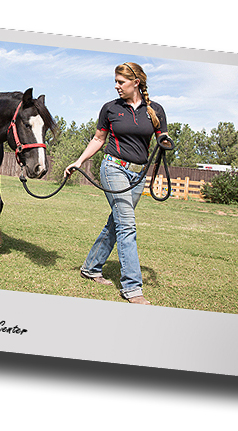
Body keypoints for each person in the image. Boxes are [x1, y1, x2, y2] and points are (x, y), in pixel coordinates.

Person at [64, 62, 170, 305]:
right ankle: (132, 288)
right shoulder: (111, 108)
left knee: (117, 223)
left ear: (136, 82)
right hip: (114, 169)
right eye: (116, 81)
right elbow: (98, 138)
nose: (117, 86)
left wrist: (165, 140)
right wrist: (79, 161)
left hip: (138, 175)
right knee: (128, 226)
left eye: (121, 82)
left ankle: (91, 268)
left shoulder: (156, 110)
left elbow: (161, 134)